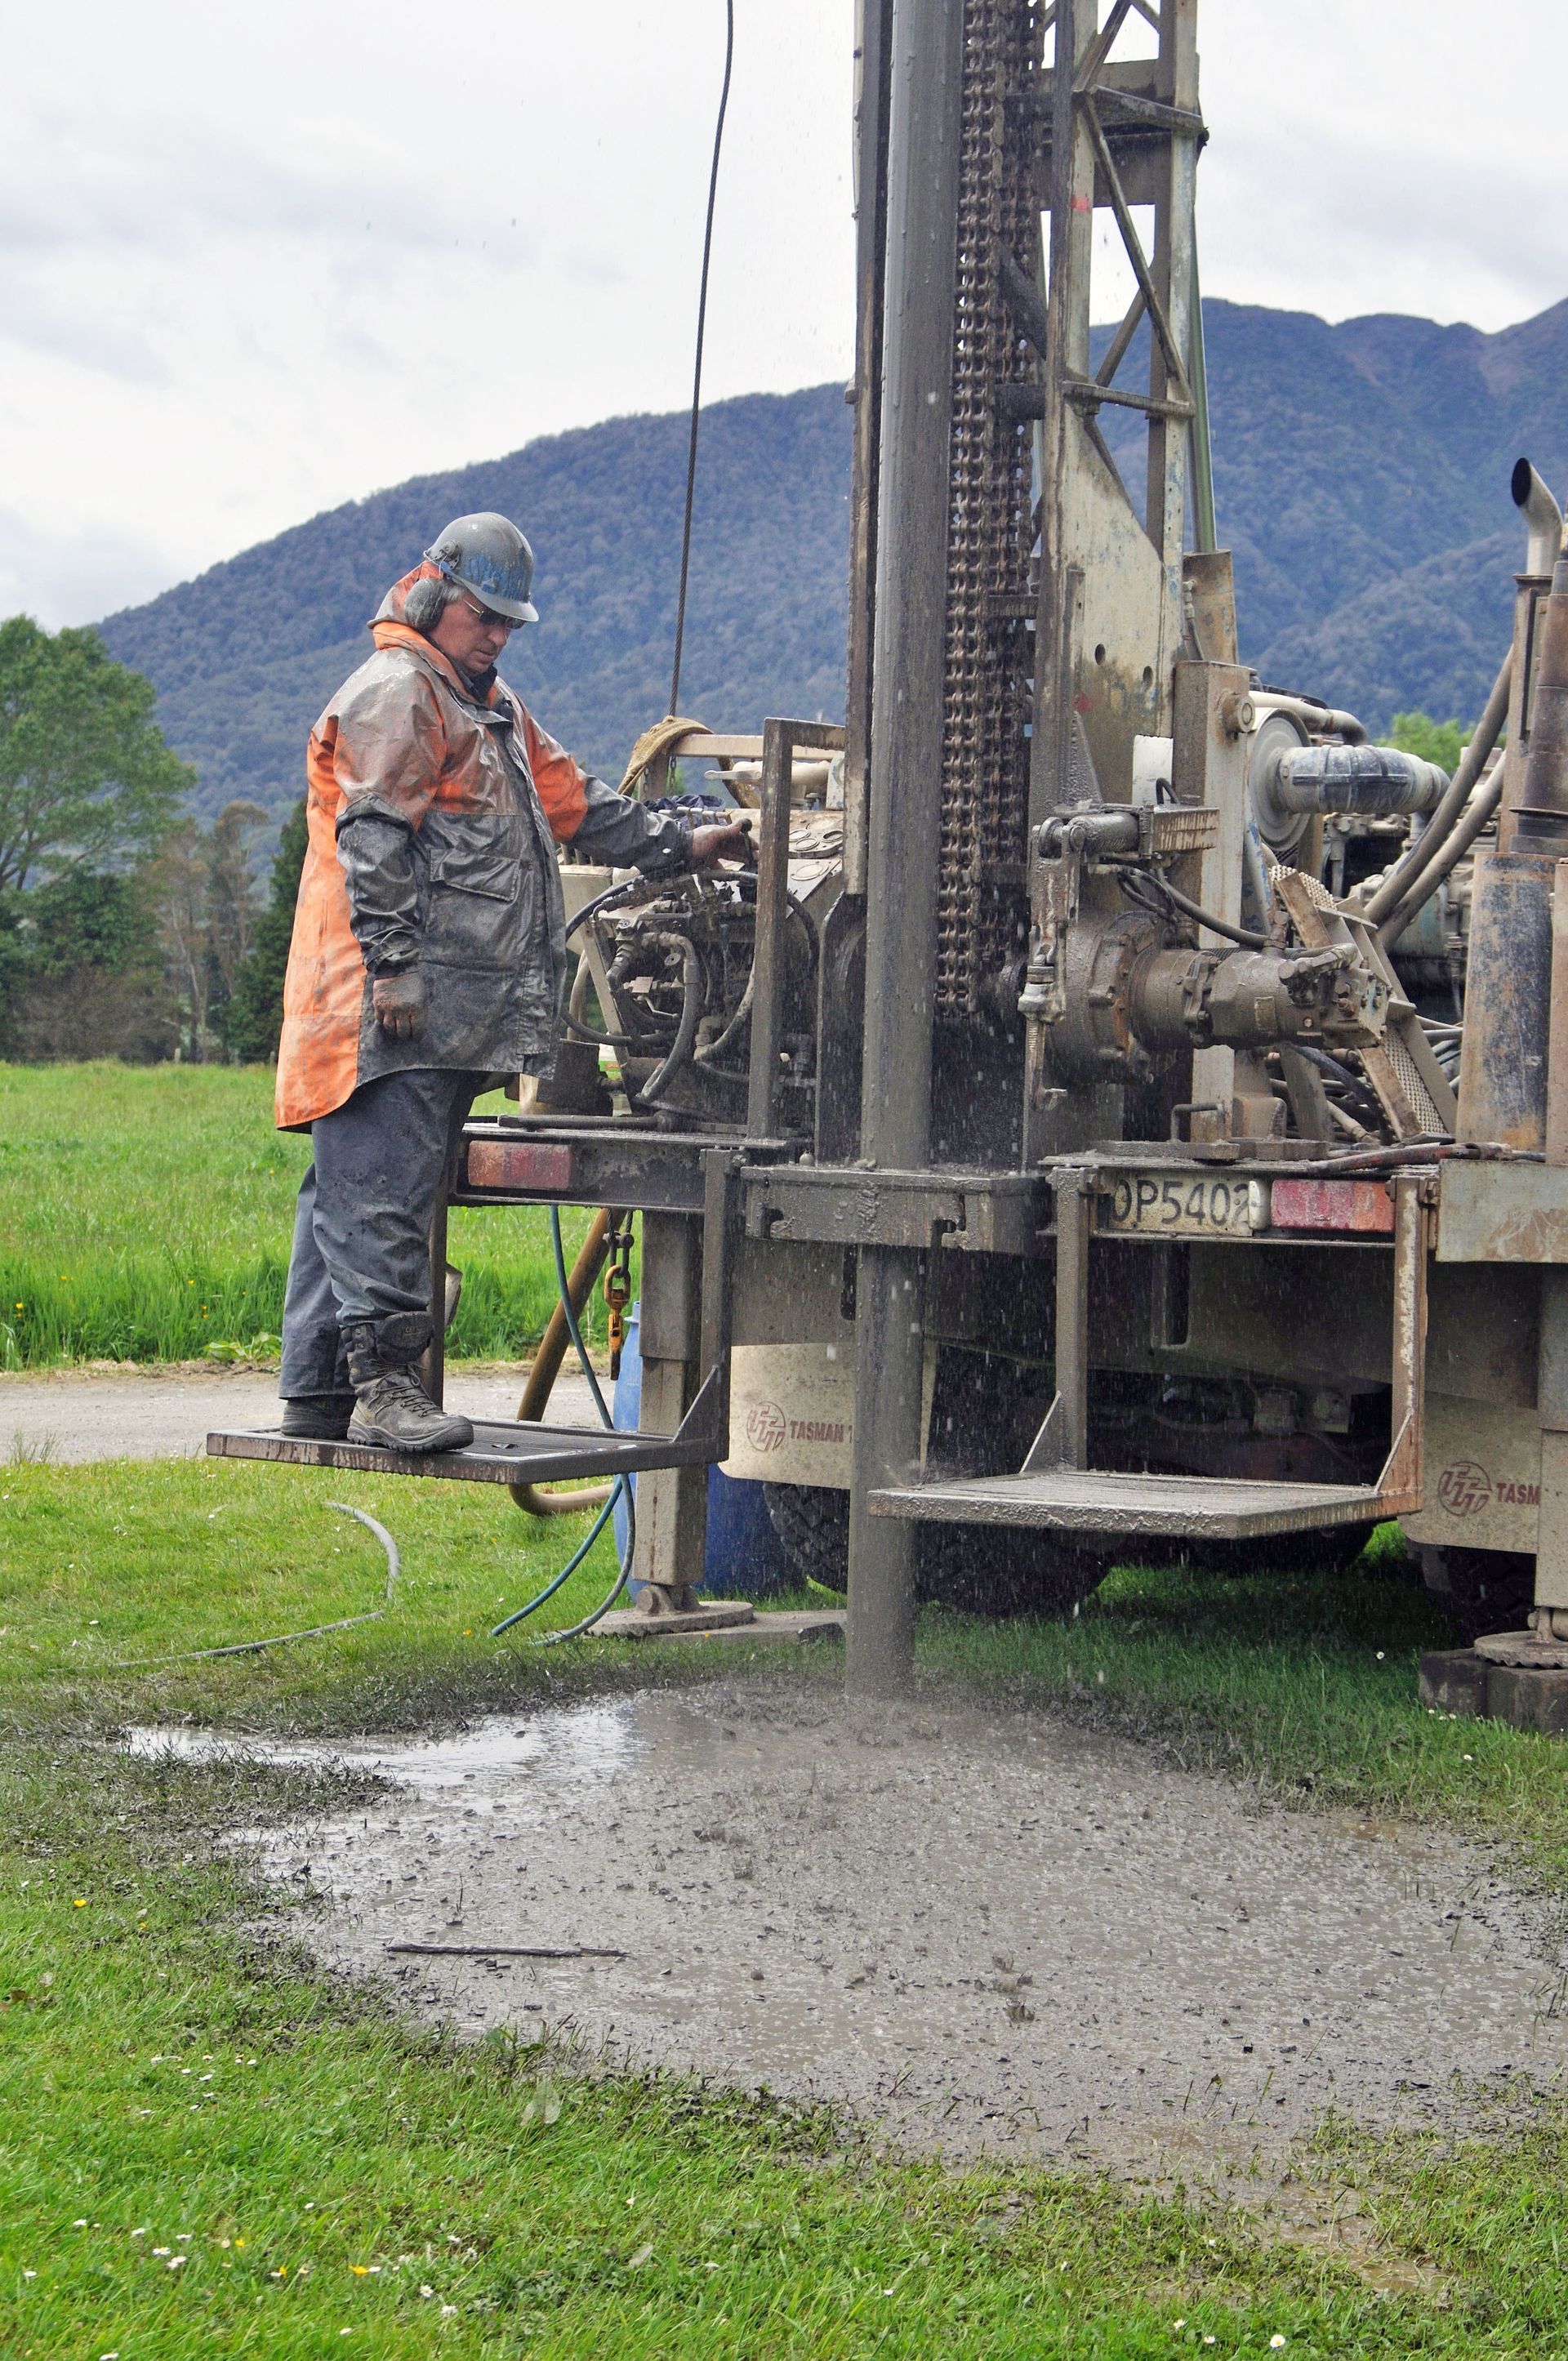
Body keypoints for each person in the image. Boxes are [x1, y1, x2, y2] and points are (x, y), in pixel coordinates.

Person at [273, 512, 749, 1452]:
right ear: (433, 597)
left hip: (446, 1006)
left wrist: (687, 841)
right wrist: (395, 968)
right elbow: (374, 837)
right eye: (483, 616)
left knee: (351, 1187)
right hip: (382, 1002)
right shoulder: (398, 694)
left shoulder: (490, 709)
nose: (496, 634)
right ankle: (383, 1389)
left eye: (507, 622)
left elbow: (579, 805)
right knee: (380, 1190)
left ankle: (319, 1388)